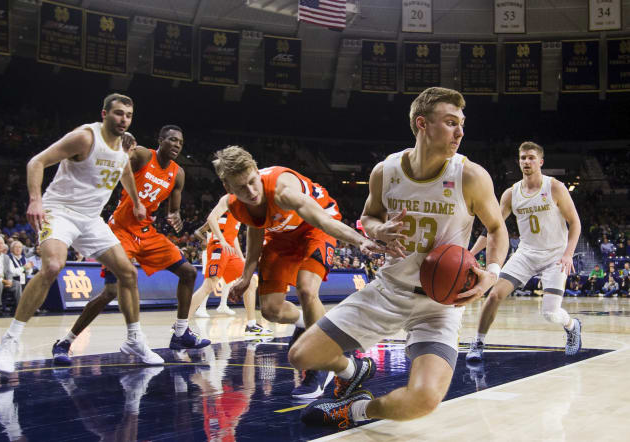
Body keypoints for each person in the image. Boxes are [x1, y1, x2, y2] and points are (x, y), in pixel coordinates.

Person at [290, 87, 508, 429]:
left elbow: (496, 229)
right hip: (388, 291)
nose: (460, 132)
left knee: (424, 400)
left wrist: (492, 273)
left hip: (439, 306)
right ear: (422, 124)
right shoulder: (386, 171)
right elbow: (368, 216)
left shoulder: (470, 176)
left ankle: (356, 410)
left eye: (461, 124)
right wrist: (377, 231)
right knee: (300, 356)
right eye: (451, 123)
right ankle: (353, 371)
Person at [0, 93, 164, 375]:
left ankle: (135, 340)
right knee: (52, 266)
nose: (124, 119)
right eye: (119, 113)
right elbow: (36, 162)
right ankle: (9, 341)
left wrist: (136, 201)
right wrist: (35, 200)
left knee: (128, 273)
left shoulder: (123, 149)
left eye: (129, 115)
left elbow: (125, 174)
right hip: (59, 211)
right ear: (104, 114)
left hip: (90, 220)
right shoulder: (85, 138)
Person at [212, 145, 384, 399]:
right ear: (229, 189)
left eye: (252, 182)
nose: (251, 192)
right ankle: (308, 324)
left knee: (306, 288)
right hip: (282, 236)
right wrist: (247, 275)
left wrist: (360, 241)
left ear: (256, 170)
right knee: (270, 310)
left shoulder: (282, 190)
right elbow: (256, 230)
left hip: (315, 227)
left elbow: (324, 222)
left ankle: (321, 364)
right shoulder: (236, 204)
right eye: (241, 188)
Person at [51, 125, 209, 365]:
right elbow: (121, 158)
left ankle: (180, 333)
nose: (177, 145)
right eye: (172, 140)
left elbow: (173, 209)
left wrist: (175, 216)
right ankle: (65, 342)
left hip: (147, 233)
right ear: (161, 140)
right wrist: (119, 145)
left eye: (180, 142)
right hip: (121, 231)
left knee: (188, 272)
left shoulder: (178, 173)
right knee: (111, 292)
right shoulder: (145, 155)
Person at [466, 141, 582, 362]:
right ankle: (478, 342)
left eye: (531, 157)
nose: (526, 161)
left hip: (555, 255)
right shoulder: (511, 194)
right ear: (519, 162)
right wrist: (471, 253)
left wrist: (568, 254)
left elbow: (575, 223)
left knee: (550, 314)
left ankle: (572, 325)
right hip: (526, 254)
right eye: (522, 158)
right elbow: (493, 227)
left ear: (541, 162)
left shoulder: (554, 187)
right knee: (494, 295)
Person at [188, 200, 272, 336]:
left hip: (229, 249)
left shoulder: (243, 210)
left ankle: (251, 325)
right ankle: (181, 325)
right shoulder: (230, 199)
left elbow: (233, 238)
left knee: (249, 281)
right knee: (209, 285)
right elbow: (210, 219)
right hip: (219, 247)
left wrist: (241, 259)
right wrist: (220, 239)